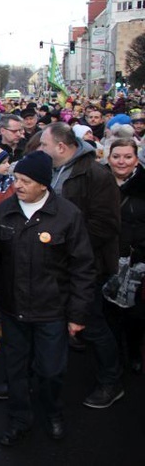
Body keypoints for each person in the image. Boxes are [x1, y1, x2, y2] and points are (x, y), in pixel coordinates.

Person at [0, 151, 94, 446]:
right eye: (16, 178)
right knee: (15, 370)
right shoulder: (5, 212)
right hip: (13, 309)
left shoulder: (68, 215)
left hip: (52, 311)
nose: (17, 185)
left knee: (51, 370)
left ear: (44, 185)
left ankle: (53, 412)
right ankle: (20, 419)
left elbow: (82, 269)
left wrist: (78, 315)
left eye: (26, 181)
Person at [39, 121, 124, 409]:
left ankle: (110, 382)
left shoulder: (96, 175)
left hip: (87, 266)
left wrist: (66, 244)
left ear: (61, 147)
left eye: (44, 145)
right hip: (56, 264)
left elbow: (105, 226)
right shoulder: (52, 170)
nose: (40, 149)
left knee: (92, 324)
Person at [105, 138, 145, 374]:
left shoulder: (143, 185)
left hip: (137, 262)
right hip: (106, 258)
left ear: (136, 159)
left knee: (135, 315)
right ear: (108, 158)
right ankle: (113, 358)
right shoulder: (99, 182)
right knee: (108, 313)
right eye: (116, 156)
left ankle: (132, 352)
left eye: (127, 156)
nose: (121, 161)